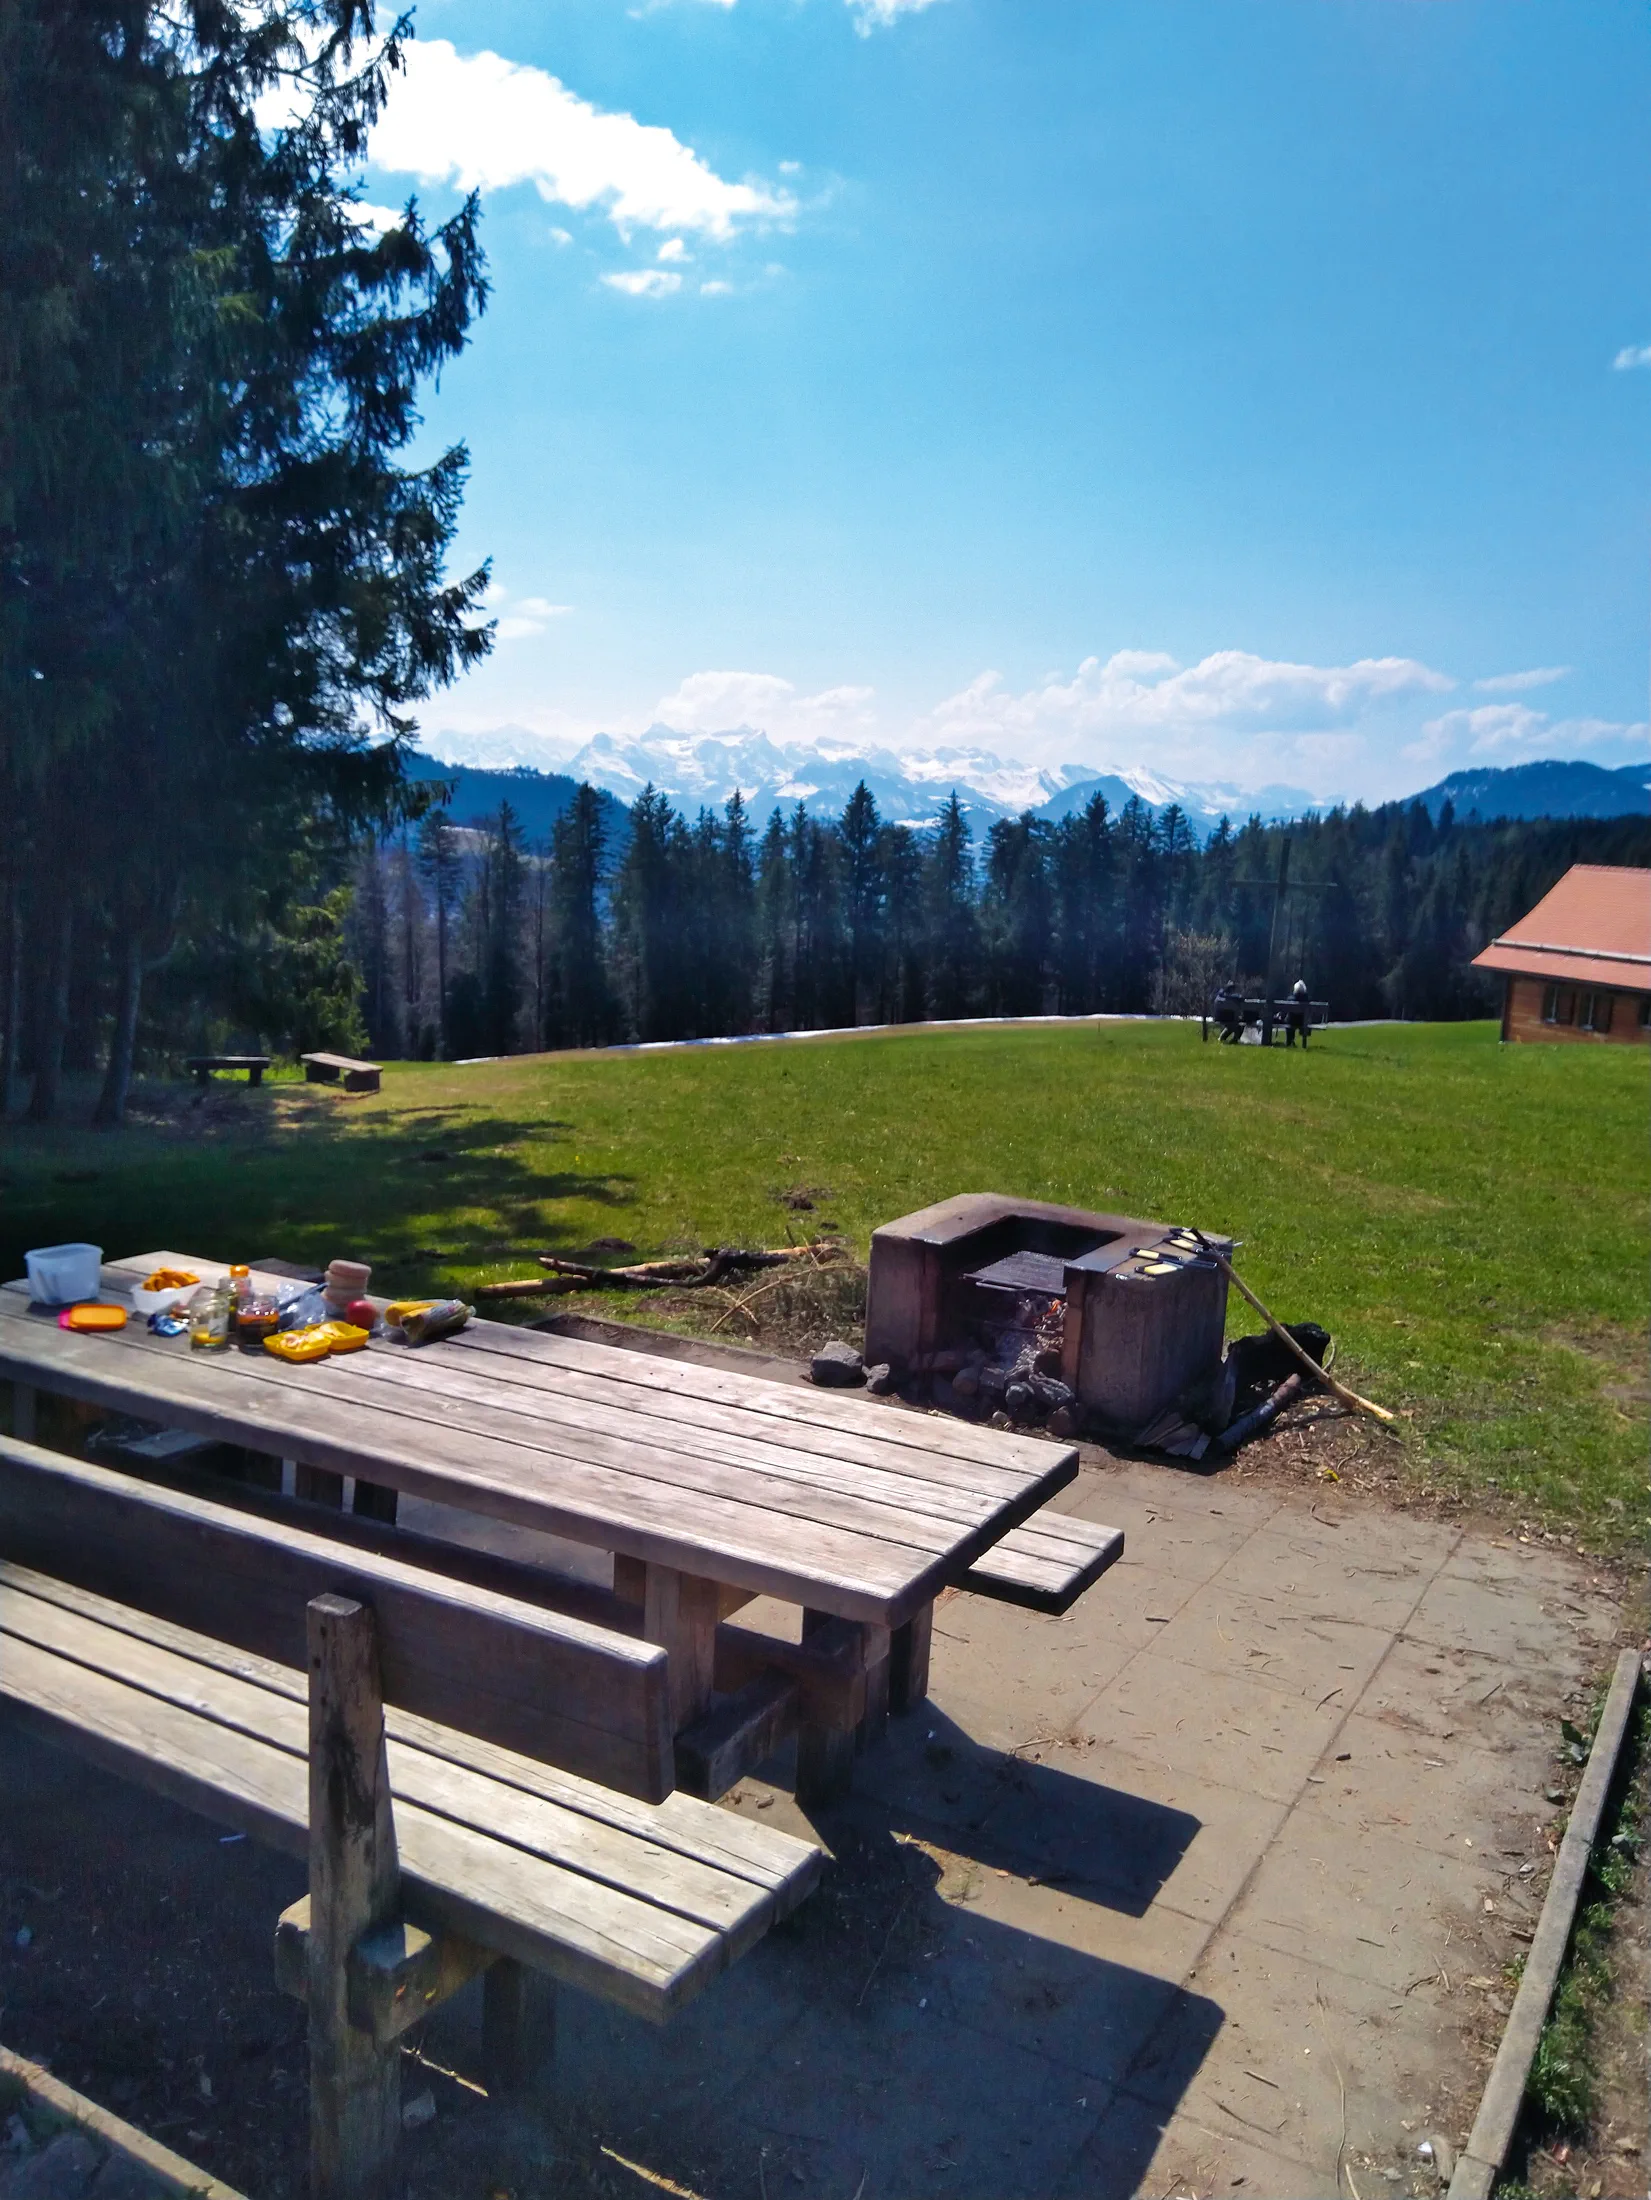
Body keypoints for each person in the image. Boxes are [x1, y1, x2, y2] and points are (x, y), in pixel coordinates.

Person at [1285, 976, 1310, 1048]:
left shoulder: (1290, 999)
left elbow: (1285, 1010)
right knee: (1291, 1019)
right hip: (1302, 1022)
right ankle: (1301, 1043)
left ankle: (1289, 1041)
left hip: (1291, 1021)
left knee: (1288, 1020)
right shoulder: (1307, 1000)